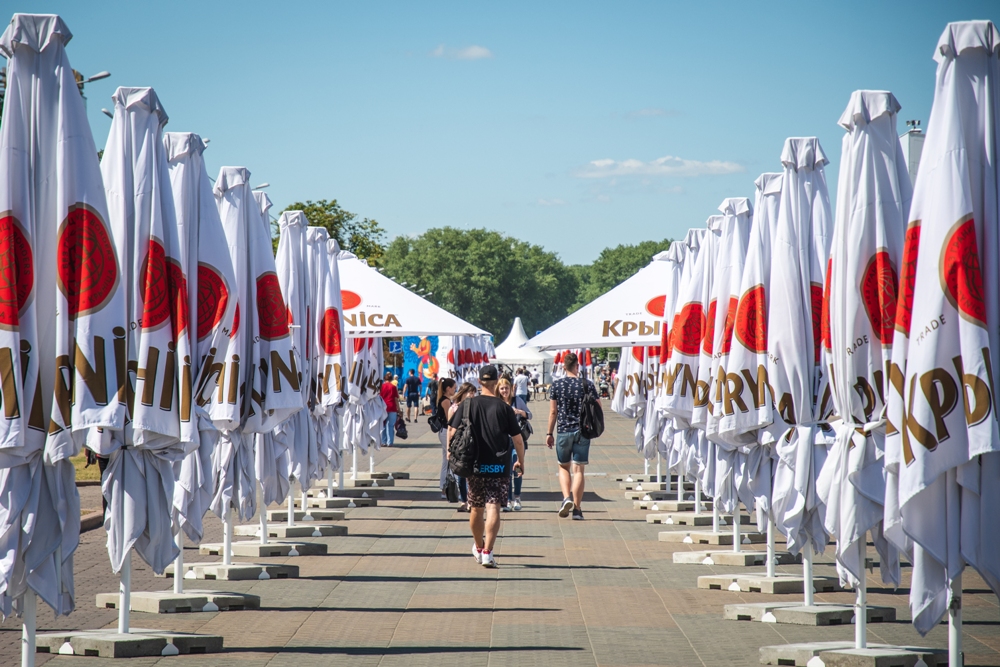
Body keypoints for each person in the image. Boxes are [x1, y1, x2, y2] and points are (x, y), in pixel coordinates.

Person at [448, 365, 525, 568]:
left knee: (476, 507)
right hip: (499, 464)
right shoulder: (504, 408)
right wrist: (520, 462)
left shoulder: (468, 405)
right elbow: (518, 440)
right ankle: (488, 553)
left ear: (479, 381)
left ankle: (478, 546)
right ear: (497, 380)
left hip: (474, 463)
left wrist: (450, 453)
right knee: (494, 507)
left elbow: (452, 429)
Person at [546, 352, 599, 520]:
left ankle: (566, 498)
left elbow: (553, 412)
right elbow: (598, 406)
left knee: (563, 467)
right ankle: (577, 509)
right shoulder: (587, 385)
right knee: (579, 470)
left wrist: (549, 433)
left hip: (563, 430)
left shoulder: (556, 385)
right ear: (577, 366)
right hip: (583, 431)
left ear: (563, 367)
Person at [497, 377, 531, 511]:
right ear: (498, 390)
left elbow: (530, 415)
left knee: (516, 469)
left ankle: (517, 497)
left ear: (511, 388)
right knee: (506, 472)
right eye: (502, 388)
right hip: (503, 442)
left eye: (506, 388)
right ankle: (507, 499)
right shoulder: (497, 402)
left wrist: (520, 412)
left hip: (518, 440)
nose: (504, 391)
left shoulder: (517, 400)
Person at [449, 382, 478, 510]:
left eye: (474, 393)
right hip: (458, 446)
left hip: (472, 444)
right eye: (470, 392)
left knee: (471, 474)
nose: (472, 395)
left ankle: (471, 501)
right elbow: (450, 429)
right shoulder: (454, 408)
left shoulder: (475, 407)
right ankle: (464, 500)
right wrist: (448, 450)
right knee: (460, 474)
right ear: (463, 393)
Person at [434, 378, 457, 499]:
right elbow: (450, 418)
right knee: (450, 458)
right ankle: (447, 487)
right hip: (445, 431)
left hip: (443, 431)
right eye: (454, 388)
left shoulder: (444, 399)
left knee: (445, 460)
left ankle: (443, 487)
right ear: (448, 389)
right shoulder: (446, 401)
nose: (455, 390)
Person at [380, 371, 400, 447]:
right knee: (390, 425)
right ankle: (390, 442)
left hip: (383, 407)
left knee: (383, 425)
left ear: (384, 379)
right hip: (392, 407)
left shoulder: (381, 387)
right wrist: (398, 409)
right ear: (391, 379)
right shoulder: (393, 387)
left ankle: (383, 441)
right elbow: (395, 399)